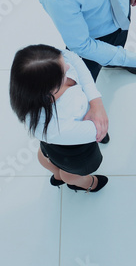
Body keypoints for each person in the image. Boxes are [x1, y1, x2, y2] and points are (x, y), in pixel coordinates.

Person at [9, 45, 109, 193]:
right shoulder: (56, 126)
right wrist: (98, 112)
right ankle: (87, 183)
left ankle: (57, 176)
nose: (68, 67)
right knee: (71, 174)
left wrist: (96, 102)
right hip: (75, 153)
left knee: (46, 156)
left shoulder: (43, 66)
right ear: (49, 89)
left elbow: (73, 58)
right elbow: (98, 131)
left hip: (50, 146)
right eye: (63, 71)